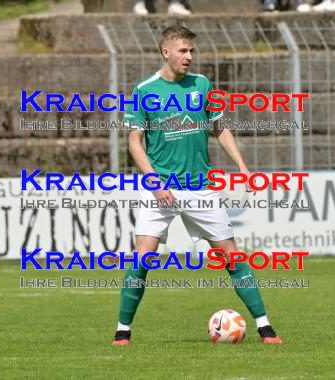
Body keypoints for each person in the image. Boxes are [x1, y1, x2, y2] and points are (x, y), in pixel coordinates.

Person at [112, 25, 282, 346]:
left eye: (192, 51)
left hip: (201, 188)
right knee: (141, 257)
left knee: (231, 256)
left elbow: (220, 129)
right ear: (166, 52)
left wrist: (243, 168)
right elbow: (135, 142)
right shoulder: (144, 89)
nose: (189, 56)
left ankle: (265, 327)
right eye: (183, 51)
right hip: (160, 188)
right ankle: (123, 330)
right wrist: (154, 181)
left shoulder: (202, 85)